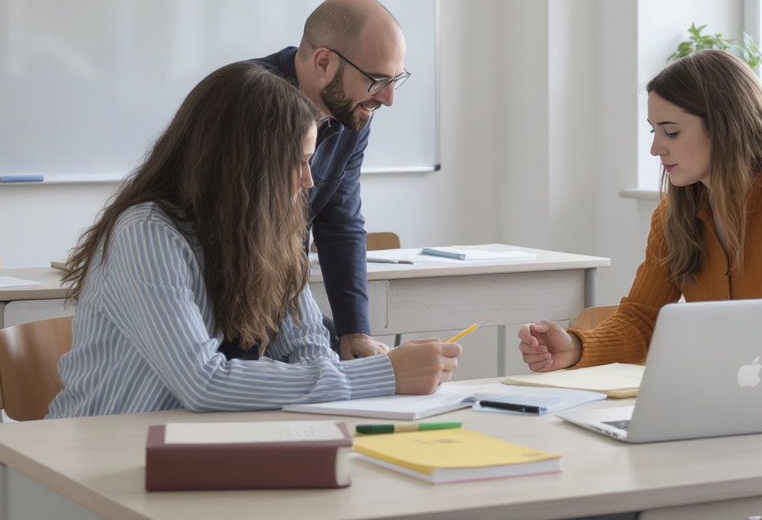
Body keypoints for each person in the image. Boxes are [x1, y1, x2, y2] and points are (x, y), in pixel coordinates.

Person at [48, 62, 457, 418]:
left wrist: (349, 380)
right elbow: (203, 382)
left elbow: (307, 346)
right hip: (93, 459)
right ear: (243, 167)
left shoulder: (265, 228)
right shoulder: (147, 232)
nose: (308, 180)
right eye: (296, 162)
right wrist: (380, 375)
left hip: (191, 449)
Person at [519, 50, 762, 373]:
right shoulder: (675, 212)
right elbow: (643, 321)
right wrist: (575, 347)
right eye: (654, 131)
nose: (655, 149)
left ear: (725, 127)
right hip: (748, 394)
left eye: (671, 132)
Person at [250, 0, 410, 360]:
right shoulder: (247, 103)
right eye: (377, 80)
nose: (387, 99)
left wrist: (354, 332)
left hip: (282, 299)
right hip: (226, 302)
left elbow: (340, 223)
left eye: (395, 80)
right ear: (323, 61)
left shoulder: (352, 110)